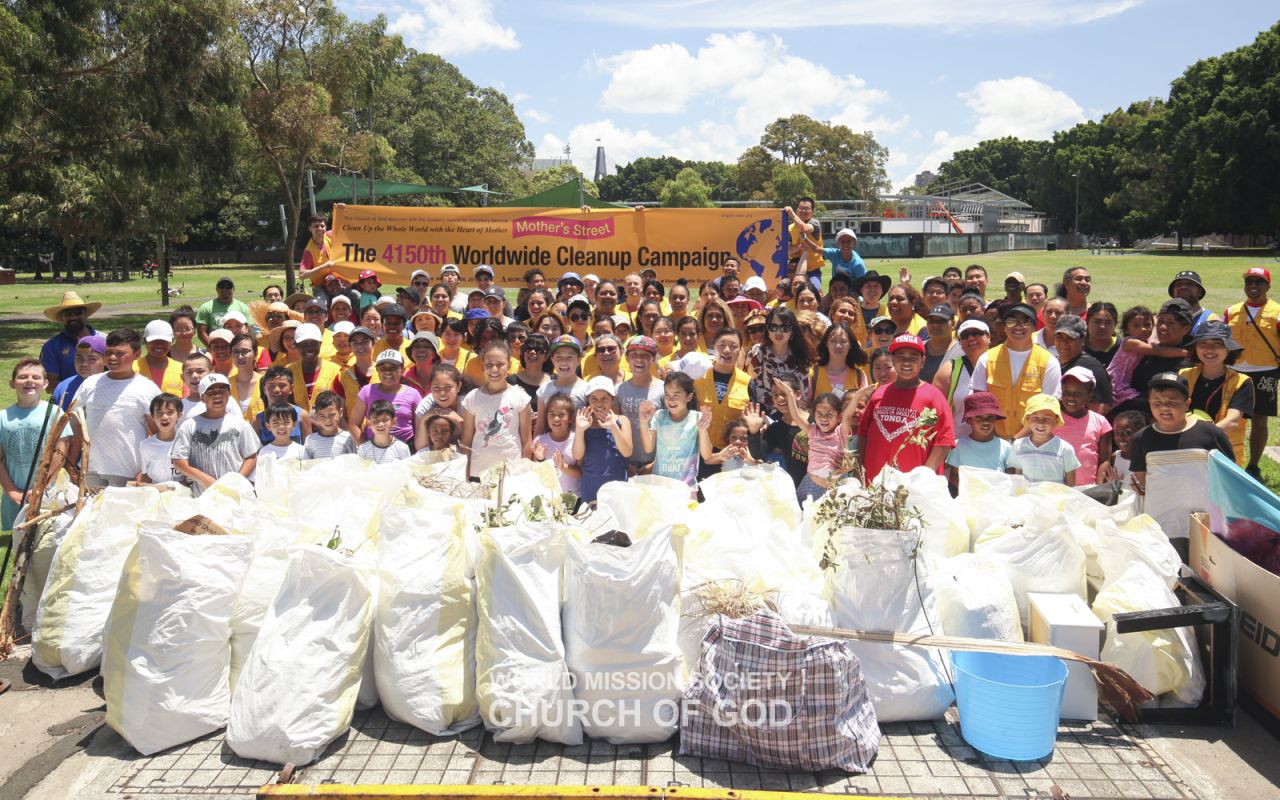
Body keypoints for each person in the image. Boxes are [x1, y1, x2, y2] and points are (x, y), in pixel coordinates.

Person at [1128, 372, 1235, 560]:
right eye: (1157, 403)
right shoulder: (1141, 439)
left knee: (1206, 570)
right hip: (1163, 523)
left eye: (1172, 402)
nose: (1164, 408)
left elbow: (1229, 475)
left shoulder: (1210, 434)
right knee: (1171, 569)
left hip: (1205, 522)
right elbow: (1141, 476)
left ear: (1187, 403)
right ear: (1149, 403)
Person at [856, 334, 955, 482]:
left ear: (922, 362)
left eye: (913, 357)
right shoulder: (879, 394)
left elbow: (945, 440)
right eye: (901, 357)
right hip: (874, 484)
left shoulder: (934, 397)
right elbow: (863, 434)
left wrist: (924, 476)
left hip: (914, 488)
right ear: (893, 360)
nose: (906, 362)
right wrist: (858, 472)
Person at [70, 328, 161, 487]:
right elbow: (76, 427)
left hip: (130, 472)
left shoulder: (147, 389)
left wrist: (147, 470)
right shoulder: (90, 384)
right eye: (109, 352)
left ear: (137, 354)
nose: (112, 358)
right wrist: (70, 465)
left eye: (120, 354)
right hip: (91, 470)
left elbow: (159, 433)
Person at [969, 303, 1061, 439]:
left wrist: (1015, 440)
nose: (1018, 326)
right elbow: (979, 404)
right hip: (992, 439)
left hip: (1033, 440)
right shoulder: (987, 359)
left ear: (1035, 327)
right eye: (1012, 321)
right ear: (1004, 327)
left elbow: (1046, 408)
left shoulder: (1049, 362)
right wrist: (996, 440)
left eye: (1025, 322)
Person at [1224, 266, 1280, 477]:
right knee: (1231, 417)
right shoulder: (1231, 311)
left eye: (1259, 282)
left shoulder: (1277, 312)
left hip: (1265, 371)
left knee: (1260, 419)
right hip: (1235, 371)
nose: (1253, 286)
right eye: (1249, 281)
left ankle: (1253, 465)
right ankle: (1229, 459)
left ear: (1268, 286)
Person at [1179, 320, 1253, 467]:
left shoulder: (1242, 382)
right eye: (1203, 344)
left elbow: (1232, 421)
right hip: (1186, 451)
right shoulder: (1183, 375)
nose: (1209, 350)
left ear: (1228, 349)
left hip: (1225, 453)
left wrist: (1198, 438)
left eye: (1217, 344)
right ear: (1195, 348)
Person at [1, 360, 63, 532]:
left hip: (48, 492)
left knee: (46, 537)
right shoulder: (3, 417)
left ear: (45, 383)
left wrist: (42, 487)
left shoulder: (55, 412)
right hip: (15, 495)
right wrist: (12, 491)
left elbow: (60, 452)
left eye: (36, 377)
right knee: (18, 538)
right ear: (12, 383)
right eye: (23, 377)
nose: (29, 380)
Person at [171, 374, 259, 494]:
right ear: (202, 397)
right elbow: (179, 461)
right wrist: (205, 479)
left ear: (229, 394)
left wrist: (237, 480)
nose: (217, 395)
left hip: (234, 492)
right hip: (202, 494)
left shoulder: (240, 424)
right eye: (210, 392)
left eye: (222, 390)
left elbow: (251, 456)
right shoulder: (189, 425)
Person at [460, 341, 532, 479]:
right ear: (483, 366)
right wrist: (465, 475)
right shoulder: (472, 398)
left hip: (511, 472)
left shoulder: (521, 397)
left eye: (500, 365)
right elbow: (466, 440)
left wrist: (524, 475)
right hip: (478, 472)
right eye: (489, 365)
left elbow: (527, 441)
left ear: (509, 366)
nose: (494, 369)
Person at [776, 383, 851, 503]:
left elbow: (847, 416)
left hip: (831, 490)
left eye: (829, 414)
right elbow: (796, 417)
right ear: (814, 415)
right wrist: (789, 394)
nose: (824, 418)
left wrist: (859, 396)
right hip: (809, 485)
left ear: (839, 417)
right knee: (801, 512)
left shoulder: (840, 433)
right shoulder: (812, 431)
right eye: (819, 414)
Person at [637, 371, 705, 493]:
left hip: (686, 487)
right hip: (660, 485)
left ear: (689, 397)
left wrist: (703, 430)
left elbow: (707, 455)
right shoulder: (659, 416)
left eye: (676, 395)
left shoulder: (697, 418)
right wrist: (643, 422)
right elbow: (648, 448)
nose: (671, 400)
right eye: (667, 395)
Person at [573, 376, 633, 503]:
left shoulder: (622, 421)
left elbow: (627, 452)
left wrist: (613, 427)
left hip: (617, 487)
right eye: (594, 399)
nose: (599, 403)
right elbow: (577, 456)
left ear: (612, 400)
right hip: (590, 487)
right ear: (588, 401)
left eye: (604, 398)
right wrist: (579, 430)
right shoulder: (584, 424)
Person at [695, 328, 752, 462]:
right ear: (713, 347)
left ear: (740, 350)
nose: (727, 350)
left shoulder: (747, 382)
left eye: (733, 346)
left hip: (731, 455)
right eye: (721, 345)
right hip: (696, 451)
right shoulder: (698, 376)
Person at [350, 349, 421, 447]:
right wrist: (365, 448)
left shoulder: (413, 394)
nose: (388, 372)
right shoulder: (367, 391)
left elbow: (420, 428)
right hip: (373, 447)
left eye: (393, 368)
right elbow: (354, 424)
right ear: (377, 370)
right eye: (383, 368)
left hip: (407, 448)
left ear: (402, 370)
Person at [933, 319, 991, 437]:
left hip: (998, 442)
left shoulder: (1002, 363)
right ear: (959, 342)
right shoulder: (949, 369)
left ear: (989, 336)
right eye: (965, 335)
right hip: (957, 442)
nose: (971, 338)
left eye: (976, 333)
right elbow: (933, 410)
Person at [1055, 367, 1112, 487]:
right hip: (1056, 487)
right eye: (1066, 392)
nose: (1071, 397)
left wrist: (1099, 487)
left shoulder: (1100, 422)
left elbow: (1104, 460)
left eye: (1078, 394)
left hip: (1088, 488)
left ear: (1089, 396)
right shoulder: (1053, 419)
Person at [945, 391, 1013, 491]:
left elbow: (1010, 477)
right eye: (978, 417)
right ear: (969, 420)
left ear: (996, 418)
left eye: (990, 417)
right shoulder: (958, 445)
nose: (985, 422)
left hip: (997, 496)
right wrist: (972, 491)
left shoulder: (1006, 446)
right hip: (968, 497)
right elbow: (954, 475)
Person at [616, 336, 664, 474]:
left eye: (645, 355)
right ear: (627, 358)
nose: (639, 359)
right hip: (627, 463)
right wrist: (624, 462)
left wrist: (655, 463)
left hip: (655, 463)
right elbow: (615, 430)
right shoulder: (619, 390)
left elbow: (670, 431)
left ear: (653, 359)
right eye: (634, 355)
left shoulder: (663, 389)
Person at [1008, 394, 1079, 486]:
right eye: (1035, 418)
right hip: (1028, 495)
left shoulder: (1065, 448)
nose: (1040, 423)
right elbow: (1018, 476)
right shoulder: (1018, 445)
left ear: (1056, 420)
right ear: (1028, 419)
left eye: (1047, 418)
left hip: (1055, 495)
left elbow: (1071, 484)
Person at [40, 291, 101, 390]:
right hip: (68, 397)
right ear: (61, 318)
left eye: (78, 313)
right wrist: (80, 392)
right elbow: (49, 384)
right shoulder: (51, 347)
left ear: (85, 314)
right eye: (68, 314)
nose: (73, 317)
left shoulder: (105, 340)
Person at [1054, 315, 1114, 414]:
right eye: (1059, 337)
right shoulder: (1051, 362)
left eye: (1070, 337)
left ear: (1082, 339)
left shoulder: (1093, 368)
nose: (1064, 342)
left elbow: (1102, 408)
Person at [530, 393, 580, 494]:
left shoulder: (577, 439)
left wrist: (562, 466)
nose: (556, 418)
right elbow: (536, 473)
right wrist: (540, 460)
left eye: (561, 415)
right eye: (552, 414)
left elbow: (579, 473)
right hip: (548, 497)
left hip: (573, 497)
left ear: (570, 418)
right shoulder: (540, 441)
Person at [287, 323, 342, 412]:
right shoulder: (289, 371)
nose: (309, 348)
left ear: (320, 344)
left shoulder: (335, 370)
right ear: (297, 346)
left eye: (313, 343)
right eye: (304, 344)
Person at [413, 363, 465, 450]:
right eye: (436, 388)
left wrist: (458, 420)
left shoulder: (467, 404)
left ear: (458, 387)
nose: (442, 393)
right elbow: (420, 448)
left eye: (448, 387)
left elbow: (473, 441)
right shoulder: (425, 406)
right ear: (430, 388)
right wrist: (424, 418)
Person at [812, 322, 868, 401]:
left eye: (843, 341)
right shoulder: (812, 373)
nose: (838, 346)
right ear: (826, 343)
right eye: (833, 341)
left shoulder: (859, 376)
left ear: (850, 345)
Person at [252, 366, 310, 444]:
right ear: (265, 389)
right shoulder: (257, 421)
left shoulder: (302, 415)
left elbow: (308, 447)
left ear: (291, 388)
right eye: (271, 386)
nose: (276, 390)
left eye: (282, 385)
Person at [135, 393, 183, 486]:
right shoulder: (146, 445)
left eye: (170, 412)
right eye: (159, 413)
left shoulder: (187, 443)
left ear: (179, 415)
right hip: (156, 492)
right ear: (152, 416)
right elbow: (145, 475)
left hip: (183, 493)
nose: (164, 417)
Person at [51, 334, 105, 410]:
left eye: (92, 359)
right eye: (79, 358)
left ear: (105, 360)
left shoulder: (113, 386)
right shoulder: (64, 386)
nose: (84, 364)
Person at [195, 278, 251, 346]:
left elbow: (249, 330)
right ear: (217, 289)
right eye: (222, 287)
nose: (225, 290)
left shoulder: (243, 307)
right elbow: (201, 333)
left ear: (234, 289)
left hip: (238, 347)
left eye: (228, 287)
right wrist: (212, 347)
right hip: (216, 346)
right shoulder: (206, 308)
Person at [785, 197, 824, 290]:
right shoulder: (790, 228)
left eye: (807, 209)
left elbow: (805, 228)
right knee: (782, 289)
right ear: (797, 210)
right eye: (801, 208)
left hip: (812, 270)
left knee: (814, 290)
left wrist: (791, 214)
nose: (803, 211)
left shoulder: (814, 223)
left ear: (812, 211)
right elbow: (787, 252)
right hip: (793, 270)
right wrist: (799, 247)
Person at [304, 391, 356, 459]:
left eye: (332, 415)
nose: (327, 420)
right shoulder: (310, 440)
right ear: (316, 415)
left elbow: (354, 462)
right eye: (322, 416)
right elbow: (306, 463)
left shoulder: (348, 438)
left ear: (340, 412)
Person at [920, 304, 961, 384]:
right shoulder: (918, 348)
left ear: (953, 324)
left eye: (941, 321)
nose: (935, 325)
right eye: (931, 321)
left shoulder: (962, 351)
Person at [1168, 270, 1218, 335]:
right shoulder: (1164, 319)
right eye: (1179, 284)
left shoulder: (1211, 321)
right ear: (1173, 292)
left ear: (1200, 292)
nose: (1183, 287)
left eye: (1189, 284)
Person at [1109, 410, 1146, 483]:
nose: (1120, 437)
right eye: (1116, 433)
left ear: (1140, 432)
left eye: (1126, 433)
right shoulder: (1114, 457)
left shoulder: (1147, 459)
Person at [298, 213, 333, 283]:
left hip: (338, 282)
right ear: (310, 228)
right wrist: (323, 267)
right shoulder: (309, 251)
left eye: (322, 226)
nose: (319, 228)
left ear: (326, 227)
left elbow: (344, 227)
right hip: (320, 285)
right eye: (316, 226)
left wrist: (343, 210)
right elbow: (301, 275)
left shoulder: (330, 235)